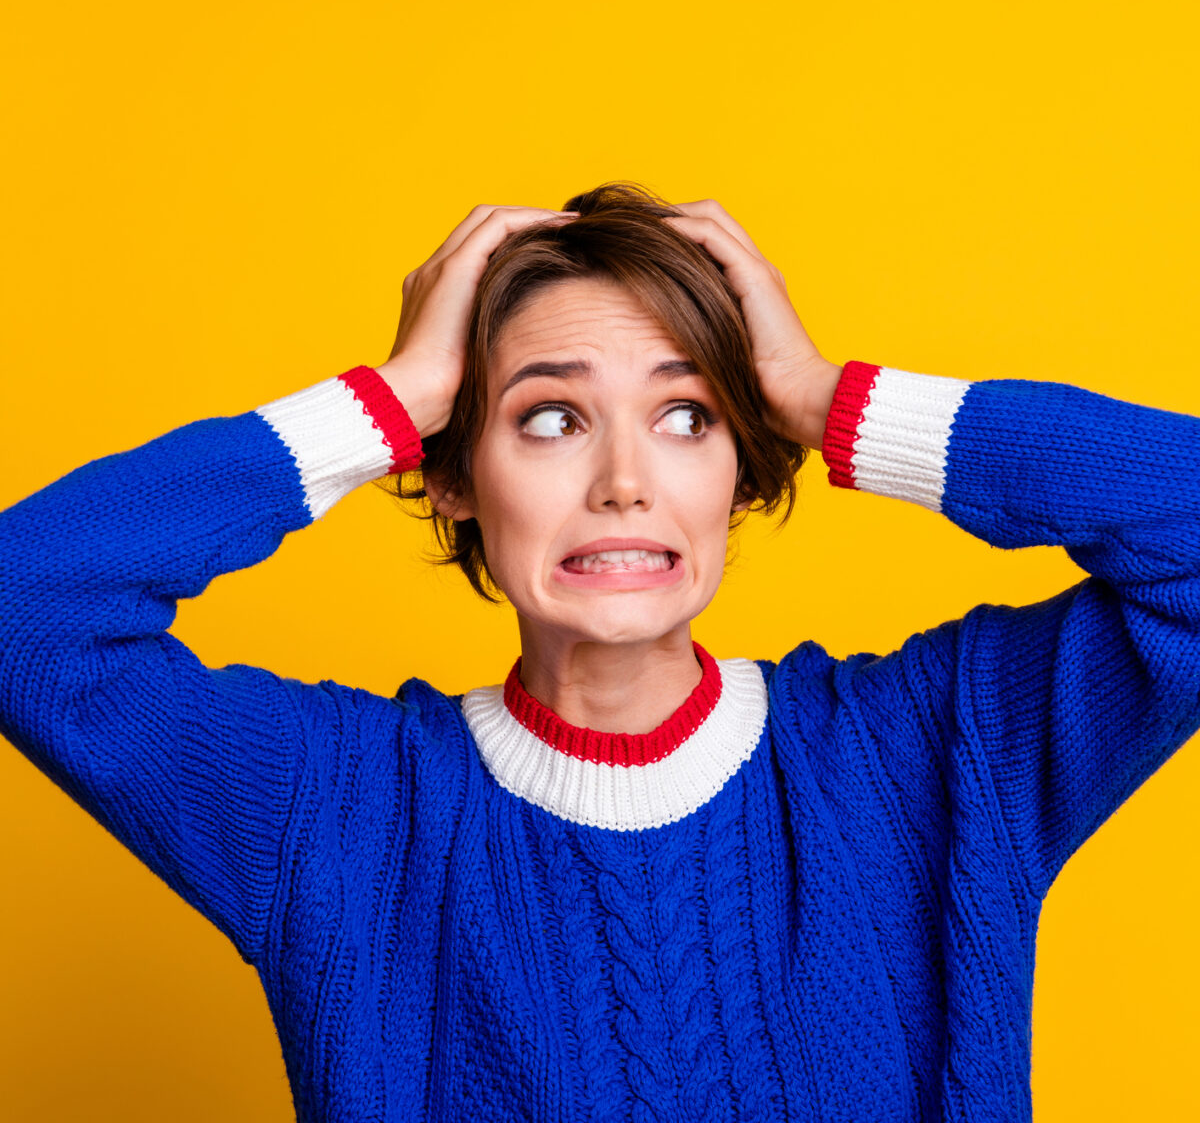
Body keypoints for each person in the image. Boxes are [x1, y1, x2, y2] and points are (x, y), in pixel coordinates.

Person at [1, 181, 1197, 1122]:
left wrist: (830, 395)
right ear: (457, 476)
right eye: (551, 418)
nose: (625, 482)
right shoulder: (341, 810)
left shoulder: (939, 753)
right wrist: (388, 397)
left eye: (688, 417)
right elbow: (23, 607)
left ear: (744, 467)